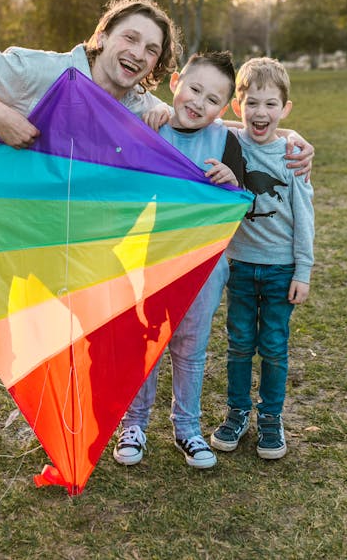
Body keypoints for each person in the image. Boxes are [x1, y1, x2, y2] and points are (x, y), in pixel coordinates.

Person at [0, 0, 181, 456]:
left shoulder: (137, 102)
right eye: (131, 38)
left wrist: (284, 138)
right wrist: (2, 116)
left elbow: (206, 120)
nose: (139, 53)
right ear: (102, 37)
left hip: (34, 225)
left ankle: (69, 415)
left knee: (83, 312)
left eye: (152, 49)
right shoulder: (40, 71)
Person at [113, 51, 243, 469]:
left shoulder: (226, 141)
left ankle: (187, 428)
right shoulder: (153, 127)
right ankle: (134, 423)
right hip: (151, 260)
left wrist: (233, 180)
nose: (198, 102)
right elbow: (123, 188)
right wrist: (145, 126)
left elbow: (245, 200)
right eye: (194, 89)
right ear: (175, 84)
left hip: (205, 267)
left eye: (211, 99)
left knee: (191, 348)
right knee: (145, 343)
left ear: (222, 109)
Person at [210, 57, 314, 460]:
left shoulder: (292, 155)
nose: (261, 112)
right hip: (239, 265)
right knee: (238, 343)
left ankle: (270, 416)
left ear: (285, 109)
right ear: (238, 106)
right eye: (252, 103)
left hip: (280, 269)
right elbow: (204, 120)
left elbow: (304, 217)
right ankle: (236, 412)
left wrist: (302, 271)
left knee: (273, 345)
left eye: (271, 104)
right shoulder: (227, 142)